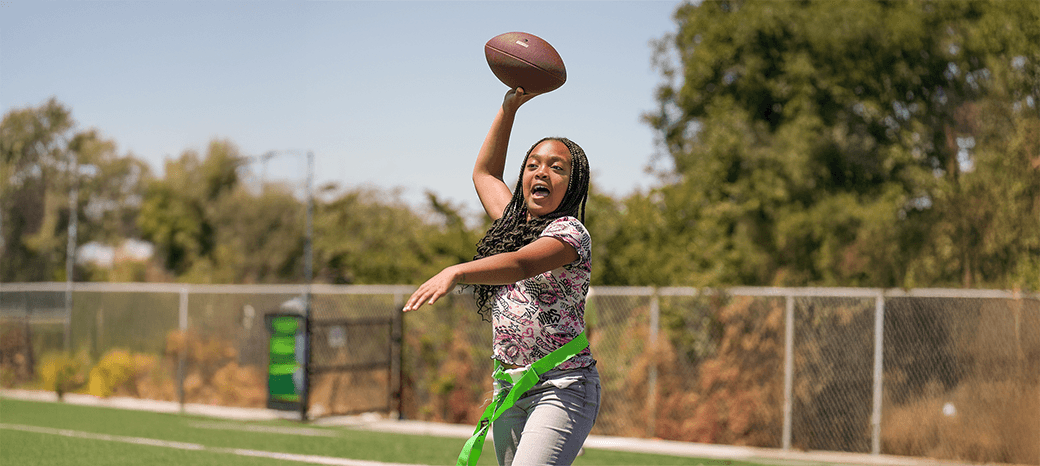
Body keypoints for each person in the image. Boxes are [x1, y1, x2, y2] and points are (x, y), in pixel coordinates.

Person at [403, 87, 599, 466]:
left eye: (557, 167)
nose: (542, 172)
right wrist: (508, 109)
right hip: (509, 387)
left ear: (573, 184)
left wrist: (457, 271)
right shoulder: (513, 225)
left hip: (562, 386)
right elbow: (485, 173)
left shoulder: (570, 233)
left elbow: (521, 264)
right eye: (533, 165)